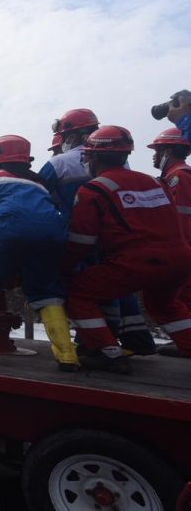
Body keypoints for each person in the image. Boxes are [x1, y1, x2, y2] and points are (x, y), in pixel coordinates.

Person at [64, 125, 191, 373]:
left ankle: (106, 352)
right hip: (181, 260)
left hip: (137, 262)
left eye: (87, 156)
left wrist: (63, 267)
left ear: (94, 157)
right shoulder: (155, 182)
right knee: (164, 305)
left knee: (77, 292)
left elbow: (81, 241)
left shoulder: (93, 189)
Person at [40, 109, 155, 355]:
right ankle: (133, 338)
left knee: (78, 289)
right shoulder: (120, 162)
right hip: (115, 237)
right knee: (112, 288)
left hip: (76, 235)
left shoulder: (59, 163)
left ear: (70, 135)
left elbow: (35, 195)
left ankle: (95, 344)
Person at [0, 135, 79, 371]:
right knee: (47, 292)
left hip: (7, 231)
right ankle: (67, 354)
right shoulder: (38, 185)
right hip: (52, 237)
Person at [147, 127, 191, 357]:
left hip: (183, 250)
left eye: (157, 151)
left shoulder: (179, 177)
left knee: (177, 299)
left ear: (167, 152)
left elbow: (181, 218)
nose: (154, 156)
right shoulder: (177, 176)